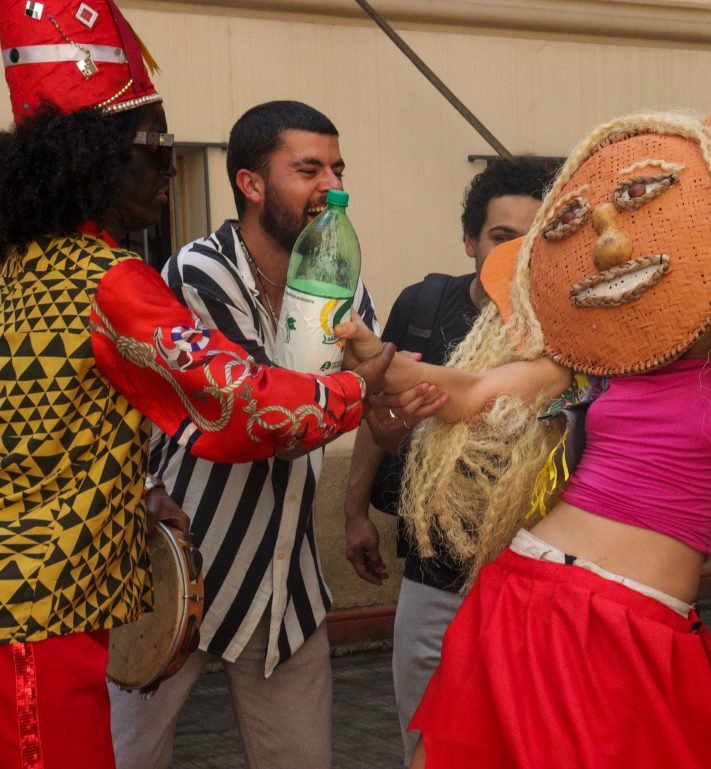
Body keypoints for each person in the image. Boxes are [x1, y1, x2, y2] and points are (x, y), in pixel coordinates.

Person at [339, 100, 711, 768]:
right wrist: (383, 365)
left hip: (651, 624)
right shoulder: (604, 351)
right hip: (551, 610)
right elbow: (478, 391)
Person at [0, 4, 392, 769]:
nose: (167, 168)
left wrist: (128, 492)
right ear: (97, 158)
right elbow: (244, 407)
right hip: (45, 623)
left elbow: (38, 435)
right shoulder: (112, 281)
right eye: (154, 147)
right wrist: (356, 385)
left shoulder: (21, 271)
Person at [106, 100, 380, 769]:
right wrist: (369, 382)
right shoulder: (196, 274)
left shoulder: (342, 276)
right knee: (123, 757)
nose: (329, 185)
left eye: (336, 168)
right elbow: (268, 421)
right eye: (308, 169)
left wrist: (399, 407)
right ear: (251, 184)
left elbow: (371, 416)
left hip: (286, 588)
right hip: (178, 575)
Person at [343, 155, 551, 764]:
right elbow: (376, 414)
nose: (516, 253)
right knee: (428, 746)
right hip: (434, 578)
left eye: (534, 240)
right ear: (469, 240)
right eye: (501, 237)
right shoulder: (425, 306)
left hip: (532, 585)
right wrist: (356, 510)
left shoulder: (569, 331)